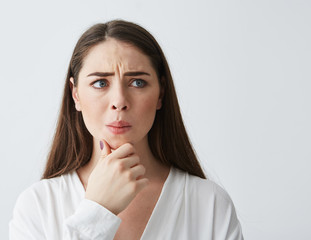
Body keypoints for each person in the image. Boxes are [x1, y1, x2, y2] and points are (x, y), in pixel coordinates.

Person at [9, 19, 243, 240]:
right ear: (75, 94)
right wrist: (98, 211)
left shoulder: (210, 204)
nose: (119, 100)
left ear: (160, 93)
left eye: (137, 82)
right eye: (100, 83)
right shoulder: (37, 205)